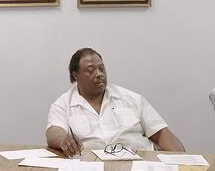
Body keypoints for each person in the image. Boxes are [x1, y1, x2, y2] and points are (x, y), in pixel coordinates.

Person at [46, 48, 185, 157]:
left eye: (101, 68)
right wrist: (63, 139)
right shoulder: (63, 104)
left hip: (139, 164)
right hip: (91, 168)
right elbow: (53, 132)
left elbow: (161, 134)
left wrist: (185, 162)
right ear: (76, 75)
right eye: (91, 70)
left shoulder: (132, 99)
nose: (99, 73)